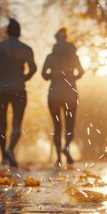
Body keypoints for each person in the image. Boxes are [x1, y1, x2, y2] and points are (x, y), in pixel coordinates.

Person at [0, 18, 37, 167]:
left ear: (7, 31)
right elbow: (33, 68)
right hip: (18, 89)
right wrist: (24, 78)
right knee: (16, 125)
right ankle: (10, 149)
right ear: (19, 32)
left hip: (1, 89)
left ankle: (4, 157)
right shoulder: (26, 49)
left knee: (2, 125)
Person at [41, 28, 84, 166]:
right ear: (65, 38)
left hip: (54, 95)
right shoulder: (73, 56)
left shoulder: (50, 57)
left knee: (57, 127)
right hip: (70, 95)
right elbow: (81, 72)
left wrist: (52, 76)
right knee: (70, 126)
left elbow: (43, 74)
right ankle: (66, 147)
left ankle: (58, 158)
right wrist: (72, 78)